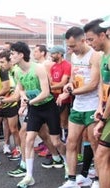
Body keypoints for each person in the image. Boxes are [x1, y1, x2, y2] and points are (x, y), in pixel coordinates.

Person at [0, 41, 66, 187]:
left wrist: (29, 102)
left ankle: (67, 165)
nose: (11, 56)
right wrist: (23, 99)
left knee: (56, 141)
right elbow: (21, 88)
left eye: (13, 53)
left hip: (48, 107)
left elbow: (46, 92)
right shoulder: (16, 71)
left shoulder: (39, 68)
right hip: (34, 108)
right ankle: (29, 176)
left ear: (21, 55)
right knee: (28, 139)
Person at [57, 26, 101, 188]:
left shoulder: (95, 56)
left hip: (93, 105)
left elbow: (94, 84)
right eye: (69, 46)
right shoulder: (74, 58)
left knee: (95, 145)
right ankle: (72, 179)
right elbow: (74, 79)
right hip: (78, 106)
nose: (71, 49)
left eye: (73, 46)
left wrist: (70, 92)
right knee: (71, 143)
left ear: (83, 40)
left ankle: (96, 180)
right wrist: (68, 86)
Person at [85, 17, 110, 188]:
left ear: (103, 35)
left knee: (101, 155)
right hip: (106, 110)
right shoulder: (103, 58)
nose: (89, 43)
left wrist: (102, 120)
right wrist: (100, 107)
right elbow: (104, 86)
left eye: (91, 39)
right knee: (102, 156)